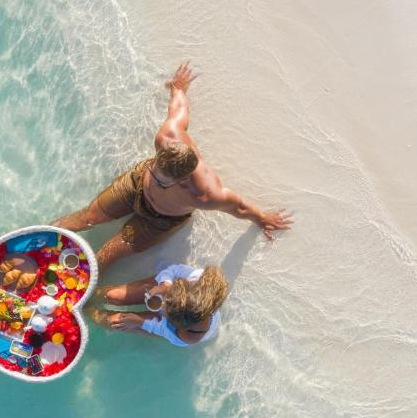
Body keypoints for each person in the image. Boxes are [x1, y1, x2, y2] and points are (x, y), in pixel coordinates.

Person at [52, 62, 293, 269]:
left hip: (161, 219)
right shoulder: (167, 137)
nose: (154, 176)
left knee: (106, 256)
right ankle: (38, 239)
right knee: (86, 218)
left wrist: (261, 218)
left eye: (160, 181)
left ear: (184, 180)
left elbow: (238, 207)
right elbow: (179, 109)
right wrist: (178, 89)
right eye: (155, 168)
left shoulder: (205, 194)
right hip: (134, 186)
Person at [88, 263, 228, 346]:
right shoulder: (197, 278)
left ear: (172, 318)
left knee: (115, 322)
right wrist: (165, 285)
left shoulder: (190, 335)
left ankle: (85, 310)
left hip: (174, 328)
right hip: (183, 311)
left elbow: (163, 330)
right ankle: (89, 294)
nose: (162, 305)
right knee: (114, 295)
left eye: (165, 307)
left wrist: (139, 321)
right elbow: (174, 270)